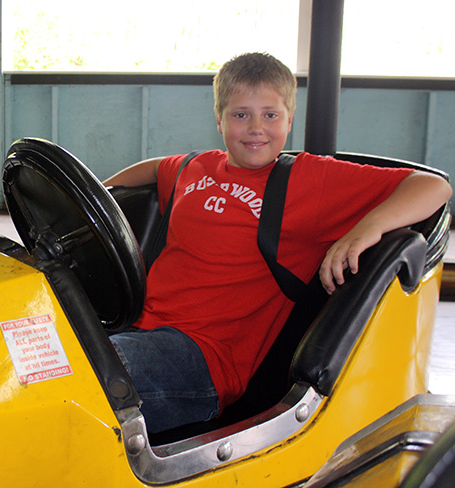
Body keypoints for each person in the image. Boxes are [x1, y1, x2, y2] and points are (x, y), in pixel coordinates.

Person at [103, 52, 452, 434]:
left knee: (74, 376)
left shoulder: (308, 179)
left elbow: (433, 185)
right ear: (219, 119)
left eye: (270, 115)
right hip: (133, 328)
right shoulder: (193, 167)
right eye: (240, 115)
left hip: (201, 358)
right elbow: (155, 167)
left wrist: (366, 228)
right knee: (41, 349)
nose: (256, 128)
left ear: (289, 119)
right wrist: (101, 189)